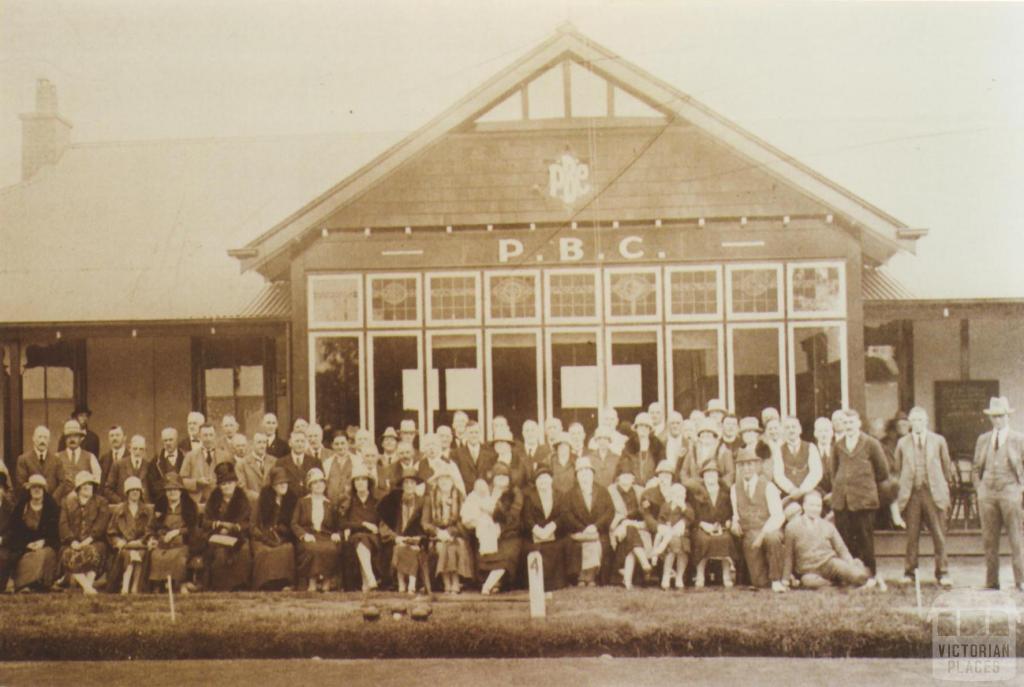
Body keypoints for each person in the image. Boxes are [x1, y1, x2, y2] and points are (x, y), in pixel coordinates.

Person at [830, 408, 893, 590]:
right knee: (846, 540)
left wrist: (862, 485)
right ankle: (851, 576)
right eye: (845, 423)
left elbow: (883, 472)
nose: (848, 426)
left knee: (865, 540)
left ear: (859, 424)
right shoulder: (838, 445)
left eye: (851, 422)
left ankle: (870, 576)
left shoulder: (871, 444)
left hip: (864, 501)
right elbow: (834, 472)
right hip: (842, 501)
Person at [893, 406, 953, 587]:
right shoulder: (903, 443)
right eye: (914, 421)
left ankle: (942, 572)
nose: (917, 424)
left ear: (926, 422)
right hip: (912, 494)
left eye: (920, 420)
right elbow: (897, 469)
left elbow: (946, 468)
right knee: (912, 535)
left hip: (933, 492)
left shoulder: (938, 441)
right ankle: (909, 572)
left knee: (938, 534)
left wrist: (943, 489)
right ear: (910, 423)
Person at [972, 396, 1024, 591]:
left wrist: (1021, 488)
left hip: (1010, 492)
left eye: (1001, 416)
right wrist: (980, 489)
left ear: (1007, 416)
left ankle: (1021, 580)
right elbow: (976, 467)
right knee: (989, 540)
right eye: (994, 417)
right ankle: (992, 581)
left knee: (1016, 538)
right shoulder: (983, 439)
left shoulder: (1018, 439)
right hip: (988, 494)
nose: (997, 420)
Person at [782, 493, 869, 589]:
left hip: (830, 564)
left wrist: (850, 563)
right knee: (809, 582)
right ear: (804, 506)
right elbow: (788, 556)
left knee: (858, 576)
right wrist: (785, 580)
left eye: (818, 506)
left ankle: (852, 574)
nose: (815, 509)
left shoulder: (828, 525)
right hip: (809, 570)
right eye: (811, 505)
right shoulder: (792, 527)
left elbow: (841, 549)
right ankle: (835, 584)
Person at [730, 451, 786, 592]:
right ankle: (784, 575)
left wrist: (762, 535)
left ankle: (777, 579)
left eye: (749, 464)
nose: (746, 468)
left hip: (768, 529)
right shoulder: (734, 488)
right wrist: (735, 522)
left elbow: (778, 516)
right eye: (742, 465)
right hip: (749, 534)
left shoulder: (768, 486)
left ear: (755, 466)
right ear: (738, 468)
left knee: (773, 539)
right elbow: (736, 512)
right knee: (759, 582)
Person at [422, 462, 473, 594]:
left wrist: (450, 532)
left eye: (447, 478)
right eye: (441, 479)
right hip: (436, 536)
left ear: (452, 481)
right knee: (442, 546)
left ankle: (455, 581)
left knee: (455, 545)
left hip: (456, 534)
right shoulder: (430, 498)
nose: (444, 481)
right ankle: (447, 582)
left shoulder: (460, 497)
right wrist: (438, 532)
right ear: (437, 481)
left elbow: (463, 521)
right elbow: (425, 522)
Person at [562, 457, 613, 587]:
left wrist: (596, 526)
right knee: (579, 543)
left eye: (587, 472)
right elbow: (566, 515)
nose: (584, 475)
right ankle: (582, 576)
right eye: (581, 472)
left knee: (596, 541)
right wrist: (582, 528)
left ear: (592, 474)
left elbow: (609, 511)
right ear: (577, 476)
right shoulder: (570, 494)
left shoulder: (602, 491)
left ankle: (589, 576)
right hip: (578, 531)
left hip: (598, 531)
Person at [201, 462, 252, 592]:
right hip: (217, 536)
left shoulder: (242, 499)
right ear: (219, 486)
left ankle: (241, 585)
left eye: (230, 483)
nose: (227, 486)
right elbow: (205, 521)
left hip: (238, 536)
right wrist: (219, 525)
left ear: (235, 483)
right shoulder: (213, 500)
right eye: (223, 484)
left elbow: (248, 521)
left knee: (244, 551)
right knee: (220, 555)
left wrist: (234, 527)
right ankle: (221, 587)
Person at [473, 463, 523, 595]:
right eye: (498, 476)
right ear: (493, 478)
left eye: (504, 477)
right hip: (489, 532)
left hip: (510, 532)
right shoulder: (487, 491)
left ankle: (491, 584)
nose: (501, 480)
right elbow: (480, 509)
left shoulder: (515, 493)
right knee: (486, 552)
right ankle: (492, 582)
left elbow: (513, 515)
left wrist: (497, 511)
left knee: (507, 554)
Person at [59, 471, 110, 595]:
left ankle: (85, 585)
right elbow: (63, 524)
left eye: (90, 484)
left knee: (93, 551)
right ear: (78, 488)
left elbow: (101, 524)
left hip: (94, 540)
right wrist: (72, 541)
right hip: (73, 542)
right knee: (68, 553)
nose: (88, 487)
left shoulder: (101, 502)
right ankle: (87, 587)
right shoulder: (67, 502)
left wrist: (89, 540)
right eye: (84, 484)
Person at [378, 466, 427, 595]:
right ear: (402, 485)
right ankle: (401, 583)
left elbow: (427, 524)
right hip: (397, 539)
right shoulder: (393, 502)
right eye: (406, 483)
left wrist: (419, 538)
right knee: (399, 547)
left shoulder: (423, 502)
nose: (409, 485)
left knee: (412, 549)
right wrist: (395, 537)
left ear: (416, 485)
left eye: (412, 482)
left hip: (417, 540)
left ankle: (409, 583)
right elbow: (384, 525)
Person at [291, 468, 342, 592]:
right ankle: (312, 581)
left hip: (325, 536)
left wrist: (337, 534)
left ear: (325, 484)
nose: (319, 485)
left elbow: (339, 525)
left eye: (321, 482)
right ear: (310, 486)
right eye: (315, 482)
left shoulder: (330, 504)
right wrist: (303, 535)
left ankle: (327, 581)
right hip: (309, 535)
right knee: (311, 548)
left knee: (331, 548)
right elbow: (294, 523)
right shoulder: (302, 502)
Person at [148, 472, 199, 593]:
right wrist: (152, 538)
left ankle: (178, 583)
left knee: (178, 556)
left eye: (175, 489)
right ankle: (159, 585)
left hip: (182, 542)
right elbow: (151, 527)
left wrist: (178, 531)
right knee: (156, 555)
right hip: (163, 543)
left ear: (181, 491)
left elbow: (194, 528)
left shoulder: (189, 506)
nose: (172, 492)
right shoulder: (160, 506)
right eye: (169, 489)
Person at [9, 474, 61, 592]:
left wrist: (43, 542)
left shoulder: (52, 508)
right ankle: (23, 584)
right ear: (29, 490)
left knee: (45, 554)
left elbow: (55, 533)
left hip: (46, 545)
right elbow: (14, 530)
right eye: (34, 487)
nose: (37, 490)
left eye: (40, 487)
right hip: (24, 546)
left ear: (44, 490)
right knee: (24, 557)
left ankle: (38, 583)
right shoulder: (21, 507)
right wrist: (26, 544)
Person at [251, 467, 297, 591]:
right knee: (264, 551)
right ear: (273, 485)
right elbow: (253, 526)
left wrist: (283, 531)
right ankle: (265, 584)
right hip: (262, 536)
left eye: (285, 482)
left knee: (287, 549)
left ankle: (285, 583)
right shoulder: (262, 500)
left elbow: (294, 524)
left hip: (283, 537)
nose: (283, 485)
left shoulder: (292, 500)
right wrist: (264, 537)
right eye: (279, 483)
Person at [106, 476, 154, 594]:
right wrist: (118, 541)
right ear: (127, 493)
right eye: (132, 490)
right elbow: (111, 532)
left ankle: (135, 586)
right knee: (128, 554)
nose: (135, 492)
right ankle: (126, 584)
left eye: (137, 490)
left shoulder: (147, 510)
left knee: (140, 553)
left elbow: (150, 530)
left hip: (140, 545)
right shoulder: (119, 510)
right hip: (125, 546)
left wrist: (141, 542)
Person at [522, 466, 567, 591]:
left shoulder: (560, 495)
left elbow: (563, 515)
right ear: (536, 482)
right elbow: (527, 517)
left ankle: (555, 584)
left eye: (546, 478)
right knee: (535, 549)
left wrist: (552, 527)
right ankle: (536, 582)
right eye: (540, 479)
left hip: (554, 533)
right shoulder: (529, 497)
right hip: (534, 534)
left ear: (551, 480)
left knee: (556, 547)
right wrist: (537, 530)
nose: (543, 482)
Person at [608, 467, 654, 589]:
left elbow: (645, 512)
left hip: (637, 526)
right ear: (618, 478)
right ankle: (644, 563)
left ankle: (627, 581)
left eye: (629, 475)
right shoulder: (611, 491)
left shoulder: (640, 491)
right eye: (623, 475)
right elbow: (609, 513)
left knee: (631, 534)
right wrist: (624, 522)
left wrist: (631, 523)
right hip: (618, 527)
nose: (626, 478)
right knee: (630, 531)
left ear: (634, 478)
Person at [691, 464, 737, 588]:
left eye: (713, 474)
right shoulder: (697, 493)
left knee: (725, 539)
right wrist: (702, 524)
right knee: (702, 540)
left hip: (720, 527)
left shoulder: (725, 493)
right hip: (702, 526)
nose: (710, 477)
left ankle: (726, 576)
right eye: (707, 474)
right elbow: (692, 514)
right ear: (703, 477)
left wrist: (726, 523)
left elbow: (730, 512)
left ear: (718, 476)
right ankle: (700, 575)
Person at [340, 466, 382, 592]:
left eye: (363, 479)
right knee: (360, 539)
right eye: (357, 480)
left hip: (374, 537)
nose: (360, 483)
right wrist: (363, 524)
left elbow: (381, 523)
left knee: (363, 540)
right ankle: (370, 579)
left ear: (369, 483)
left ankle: (366, 582)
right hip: (355, 537)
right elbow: (342, 523)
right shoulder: (348, 501)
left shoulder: (376, 501)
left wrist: (375, 528)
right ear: (353, 484)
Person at [651, 483, 692, 590]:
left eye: (681, 495)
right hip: (668, 533)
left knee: (681, 550)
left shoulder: (686, 506)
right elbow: (661, 519)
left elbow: (691, 518)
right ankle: (666, 576)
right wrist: (663, 525)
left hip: (682, 535)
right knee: (672, 547)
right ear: (671, 495)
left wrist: (683, 510)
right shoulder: (666, 505)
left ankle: (679, 577)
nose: (678, 497)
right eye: (675, 495)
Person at [773, 417, 824, 502]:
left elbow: (816, 472)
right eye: (787, 428)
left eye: (794, 427)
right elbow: (778, 475)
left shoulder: (811, 447)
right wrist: (791, 489)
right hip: (788, 492)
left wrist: (802, 490)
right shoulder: (778, 450)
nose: (791, 430)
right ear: (783, 432)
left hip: (808, 491)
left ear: (800, 429)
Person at [54, 420, 102, 503]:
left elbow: (97, 480)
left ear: (81, 438)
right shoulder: (57, 457)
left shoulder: (90, 457)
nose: (72, 439)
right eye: (69, 436)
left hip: (85, 504)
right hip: (62, 504)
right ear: (65, 439)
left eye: (75, 436)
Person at [682, 419, 735, 488]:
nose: (705, 437)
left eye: (708, 435)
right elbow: (683, 471)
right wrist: (689, 483)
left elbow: (730, 473)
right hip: (695, 490)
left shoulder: (724, 452)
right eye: (703, 435)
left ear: (714, 437)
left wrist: (719, 484)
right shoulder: (692, 452)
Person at [619, 412, 664, 488]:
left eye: (646, 426)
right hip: (633, 485)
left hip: (653, 486)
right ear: (636, 428)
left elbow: (662, 465)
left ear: (650, 429)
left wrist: (656, 479)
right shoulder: (629, 445)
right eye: (640, 426)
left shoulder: (657, 445)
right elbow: (624, 464)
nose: (643, 429)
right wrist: (630, 479)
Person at [104, 434, 151, 504]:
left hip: (143, 507)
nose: (137, 452)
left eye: (141, 449)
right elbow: (108, 489)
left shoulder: (148, 466)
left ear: (145, 450)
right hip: (124, 507)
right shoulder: (118, 465)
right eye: (135, 448)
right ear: (130, 448)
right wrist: (120, 502)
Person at [15, 426, 60, 498]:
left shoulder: (56, 460)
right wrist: (35, 497)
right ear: (33, 439)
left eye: (45, 437)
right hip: (31, 501)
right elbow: (21, 483)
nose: (42, 440)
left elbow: (62, 483)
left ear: (49, 440)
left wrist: (53, 499)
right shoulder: (23, 459)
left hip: (52, 502)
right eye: (40, 437)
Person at [180, 423, 219, 506]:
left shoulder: (224, 456)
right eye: (205, 435)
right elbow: (181, 481)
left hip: (218, 500)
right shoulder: (190, 456)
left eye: (210, 435)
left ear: (215, 436)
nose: (208, 438)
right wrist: (197, 482)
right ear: (200, 436)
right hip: (196, 501)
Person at [146, 427, 187, 500]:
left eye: (171, 440)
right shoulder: (155, 462)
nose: (168, 443)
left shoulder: (186, 458)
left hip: (183, 501)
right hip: (163, 501)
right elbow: (152, 486)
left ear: (177, 440)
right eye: (165, 440)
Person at [453, 421, 494, 492]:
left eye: (476, 432)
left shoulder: (490, 452)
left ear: (480, 433)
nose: (474, 435)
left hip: (485, 495)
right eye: (471, 433)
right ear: (465, 434)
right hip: (465, 495)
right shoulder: (456, 453)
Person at [280, 430, 321, 498]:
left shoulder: (315, 462)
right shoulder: (281, 463)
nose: (300, 444)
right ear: (290, 443)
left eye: (302, 441)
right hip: (288, 503)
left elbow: (321, 485)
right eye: (297, 441)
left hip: (309, 503)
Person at [237, 432, 275, 503]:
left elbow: (277, 483)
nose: (262, 446)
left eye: (264, 442)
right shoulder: (242, 464)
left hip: (271, 504)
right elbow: (242, 489)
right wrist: (259, 497)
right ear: (252, 444)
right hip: (251, 505)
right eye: (259, 442)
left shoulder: (274, 461)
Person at [584, 426, 621, 490]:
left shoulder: (617, 458)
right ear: (596, 440)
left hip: (612, 494)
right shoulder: (589, 458)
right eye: (599, 438)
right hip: (595, 494)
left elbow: (619, 479)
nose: (602, 442)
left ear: (609, 440)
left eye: (605, 439)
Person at [548, 431, 577, 497]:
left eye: (566, 445)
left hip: (572, 498)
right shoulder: (550, 461)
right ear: (557, 447)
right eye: (560, 445)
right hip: (555, 498)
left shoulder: (576, 461)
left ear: (570, 448)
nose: (563, 448)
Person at [0, 473, 14, 591]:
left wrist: (2, 539)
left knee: (3, 557)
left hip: (3, 545)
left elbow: (13, 531)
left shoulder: (10, 508)